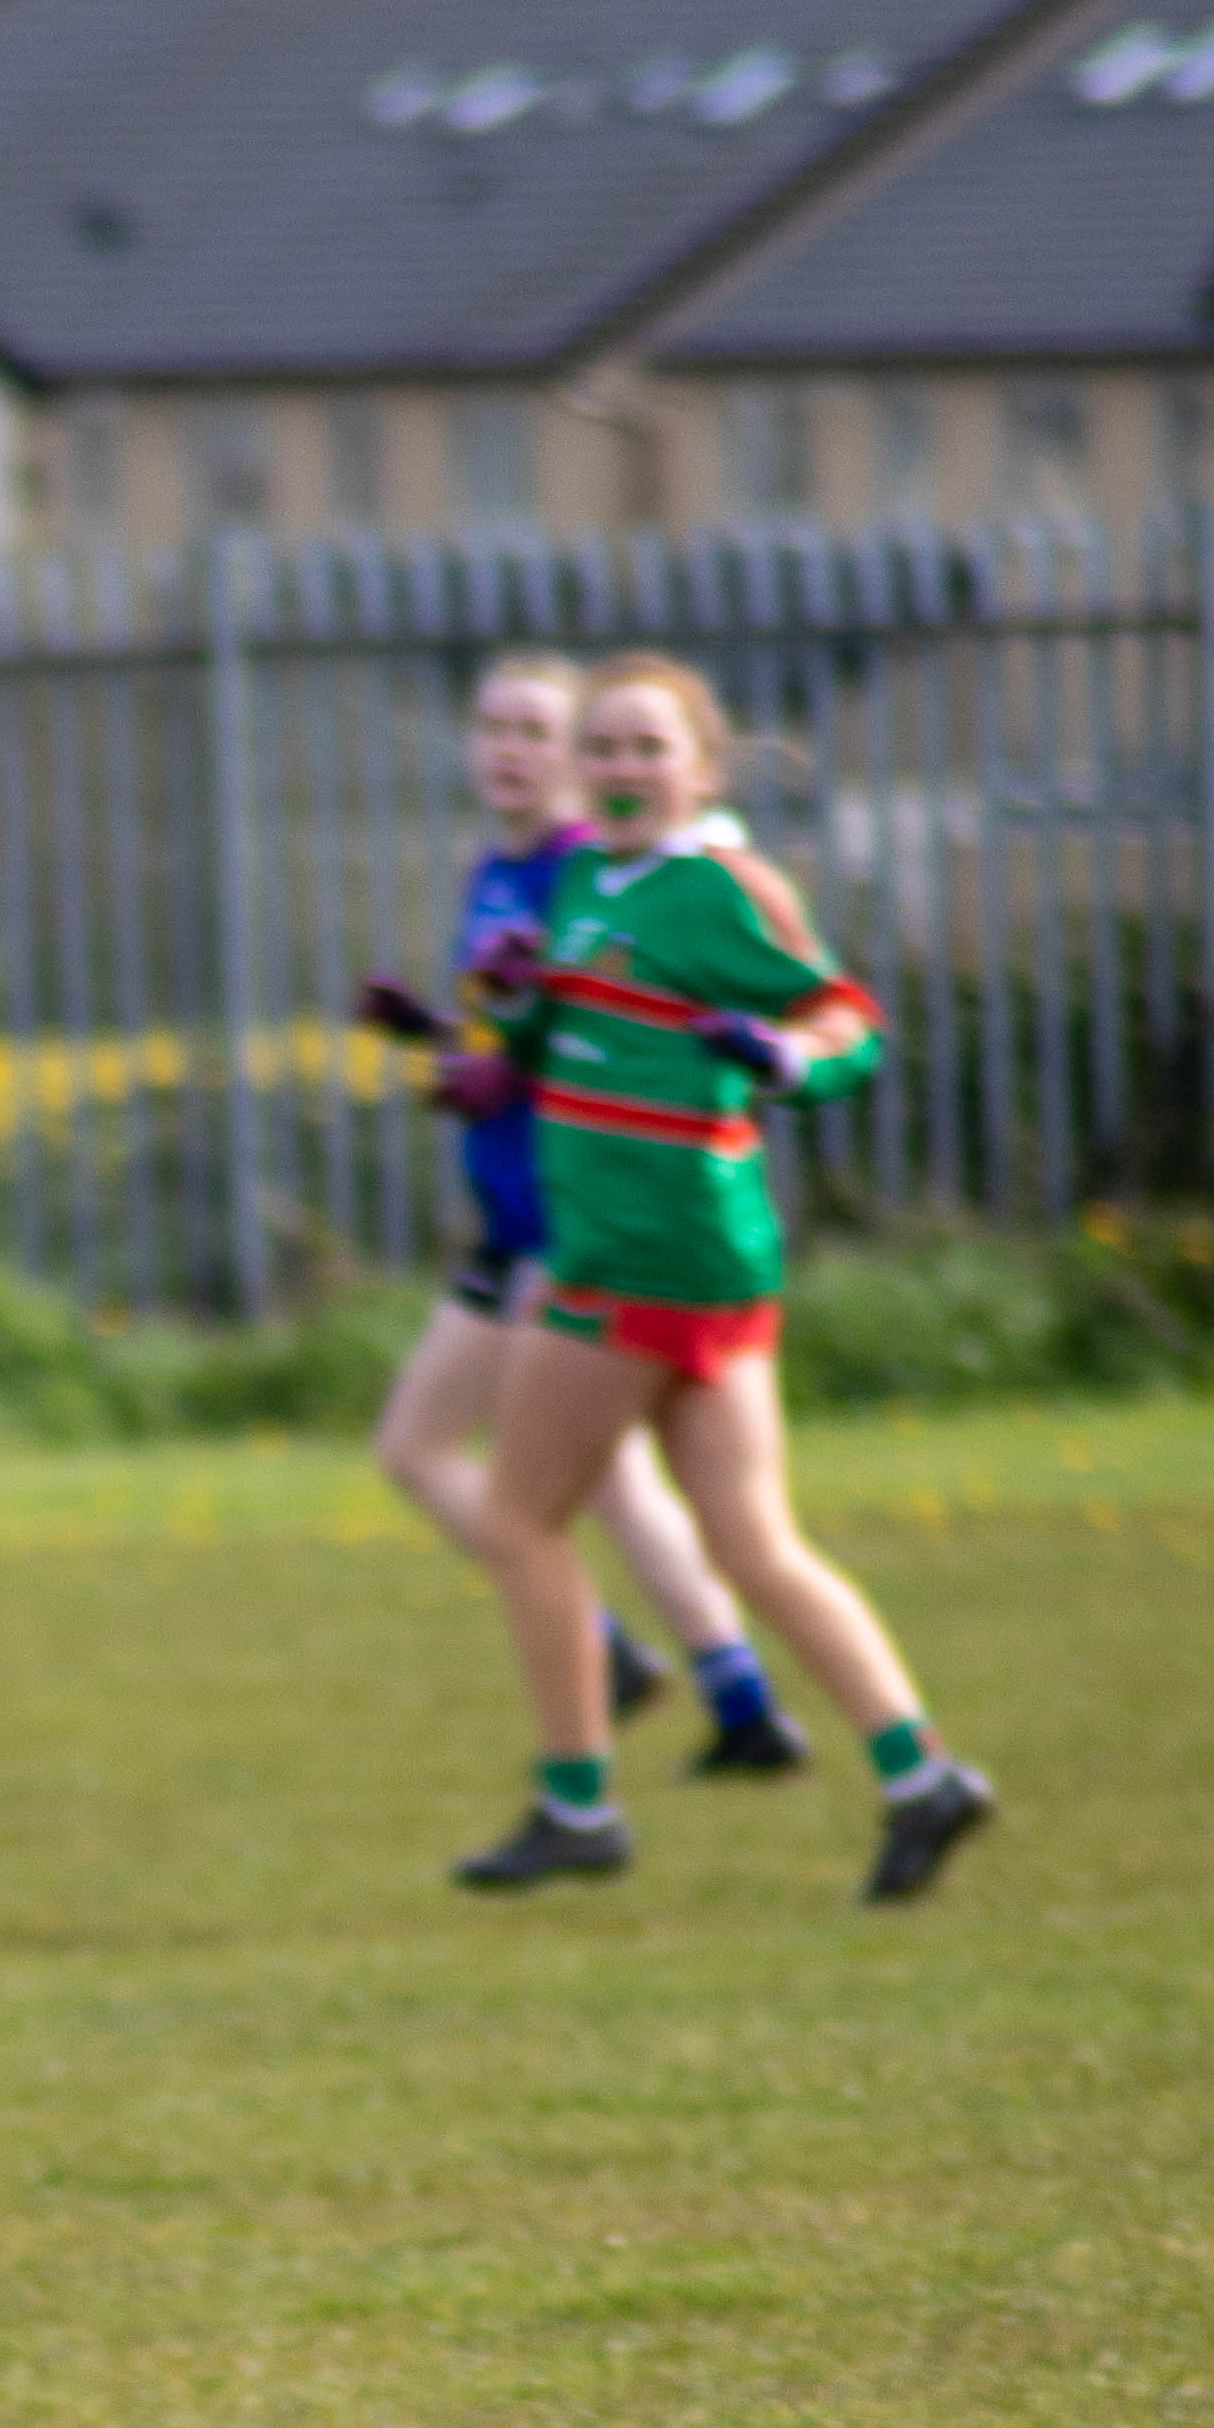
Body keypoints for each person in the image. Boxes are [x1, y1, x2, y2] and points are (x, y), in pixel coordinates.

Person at [448, 653, 994, 1904]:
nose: (622, 768)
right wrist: (505, 1020)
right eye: (604, 748)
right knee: (751, 1542)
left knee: (515, 1520)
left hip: (635, 1253)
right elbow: (567, 1028)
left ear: (702, 768)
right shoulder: (587, 877)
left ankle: (575, 1803)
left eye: (649, 748)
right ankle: (920, 1776)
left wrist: (784, 1059)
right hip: (702, 1258)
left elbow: (846, 1019)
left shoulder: (715, 888)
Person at [356, 651, 802, 1776]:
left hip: (572, 1218)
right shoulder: (494, 873)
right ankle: (723, 1691)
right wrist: (434, 1035)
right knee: (558, 1470)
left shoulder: (583, 874)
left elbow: (602, 1043)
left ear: (578, 757)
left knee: (476, 1459)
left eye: (533, 731)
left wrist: (503, 1070)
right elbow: (514, 1032)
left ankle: (641, 1678)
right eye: (490, 726)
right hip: (512, 1210)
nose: (507, 749)